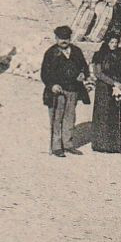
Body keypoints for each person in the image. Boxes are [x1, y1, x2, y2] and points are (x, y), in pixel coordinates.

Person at [40, 26, 91, 157]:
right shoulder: (50, 53)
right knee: (56, 118)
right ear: (56, 38)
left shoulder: (76, 51)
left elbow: (84, 67)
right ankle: (56, 146)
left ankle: (68, 144)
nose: (64, 41)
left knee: (70, 117)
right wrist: (52, 85)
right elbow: (45, 73)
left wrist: (82, 74)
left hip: (73, 89)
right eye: (61, 38)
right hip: (58, 91)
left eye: (66, 38)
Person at [90, 31, 121, 153]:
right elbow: (98, 73)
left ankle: (119, 144)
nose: (114, 44)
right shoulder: (99, 55)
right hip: (104, 89)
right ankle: (104, 144)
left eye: (116, 42)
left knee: (119, 115)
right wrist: (113, 83)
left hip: (119, 88)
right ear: (107, 42)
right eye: (111, 42)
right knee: (105, 115)